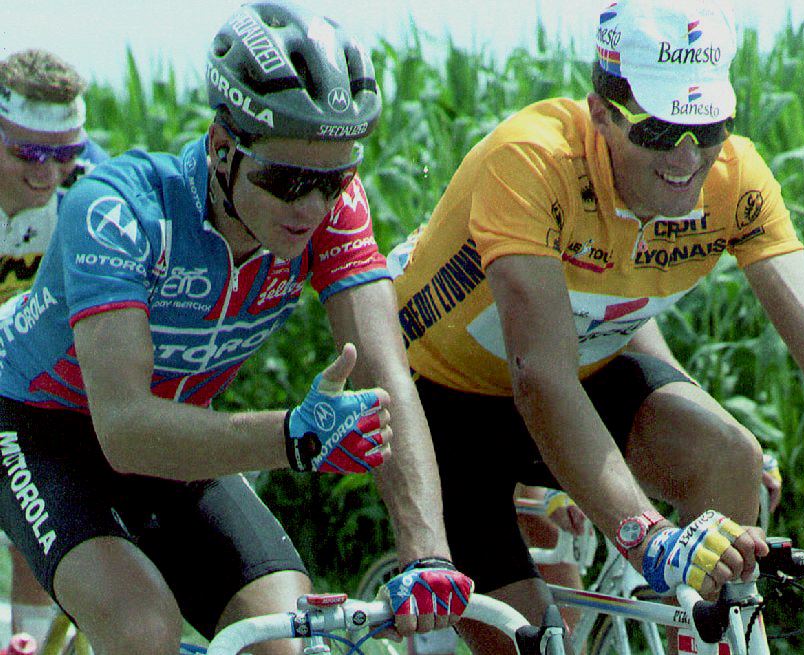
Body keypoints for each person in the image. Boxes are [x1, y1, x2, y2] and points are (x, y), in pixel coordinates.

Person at [385, 0, 804, 652]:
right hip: (445, 405)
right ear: (601, 114)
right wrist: (647, 532)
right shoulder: (534, 160)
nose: (688, 157)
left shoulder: (732, 176)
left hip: (583, 373)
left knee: (730, 456)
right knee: (537, 640)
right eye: (661, 131)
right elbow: (539, 376)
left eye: (709, 125)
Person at [0, 3, 471, 654]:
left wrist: (426, 553)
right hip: (44, 427)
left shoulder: (336, 212)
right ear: (222, 150)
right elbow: (125, 430)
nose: (311, 207)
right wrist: (291, 437)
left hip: (182, 425)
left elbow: (386, 379)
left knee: (283, 635)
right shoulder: (117, 210)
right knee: (143, 629)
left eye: (333, 181)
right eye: (285, 181)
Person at [0, 48, 109, 652]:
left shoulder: (95, 188)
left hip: (41, 371)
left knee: (42, 497)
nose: (48, 172)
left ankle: (29, 644)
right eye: (27, 153)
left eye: (65, 154)